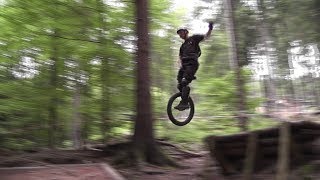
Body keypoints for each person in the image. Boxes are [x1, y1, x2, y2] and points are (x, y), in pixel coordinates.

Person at [174, 22, 213, 111]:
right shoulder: (182, 46)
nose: (180, 35)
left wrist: (210, 29)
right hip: (184, 66)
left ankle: (184, 104)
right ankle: (185, 100)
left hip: (192, 63)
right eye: (179, 33)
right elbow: (180, 57)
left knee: (184, 82)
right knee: (180, 85)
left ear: (186, 32)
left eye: (181, 32)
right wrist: (179, 64)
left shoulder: (194, 39)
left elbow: (206, 37)